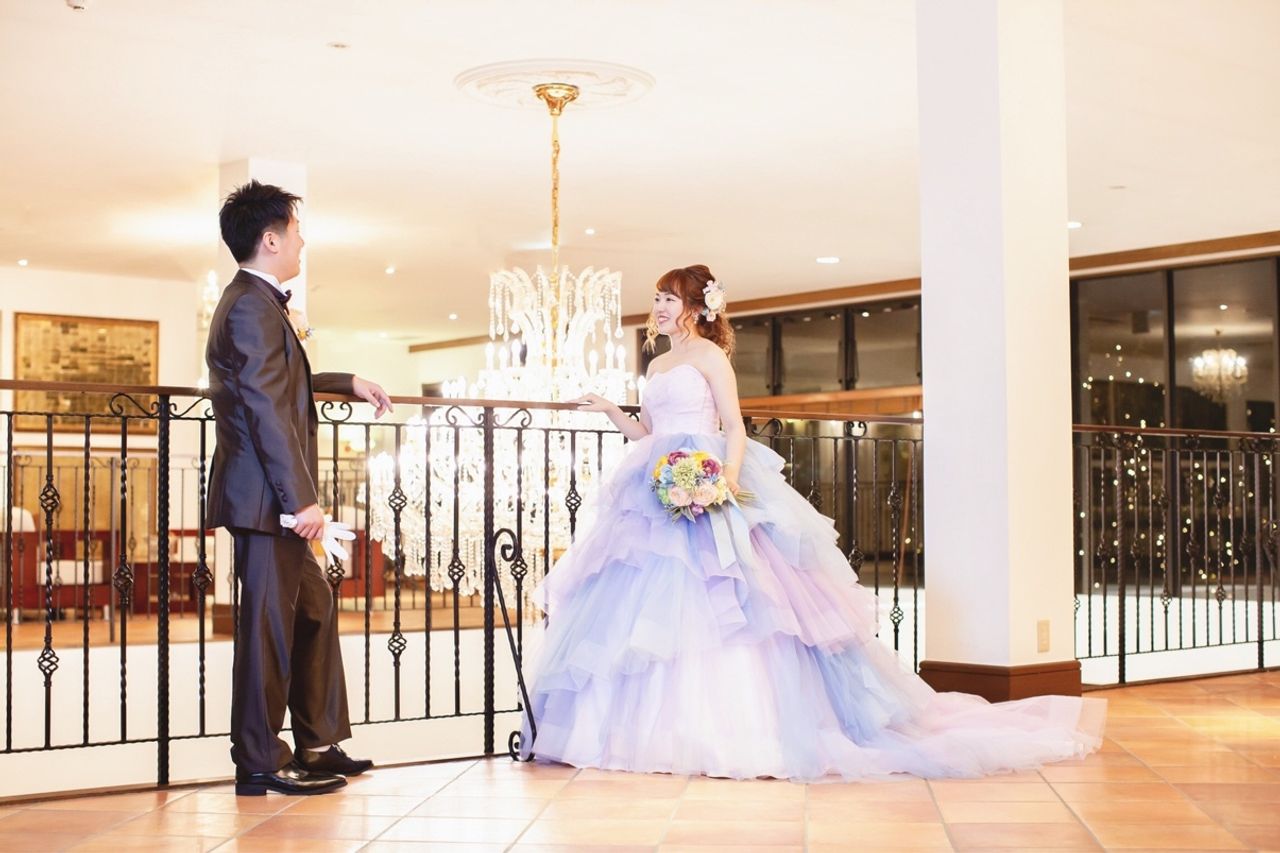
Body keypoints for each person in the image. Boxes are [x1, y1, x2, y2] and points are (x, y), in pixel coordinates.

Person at [518, 264, 1104, 780]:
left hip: (709, 476)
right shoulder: (659, 362)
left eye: (670, 298)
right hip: (658, 483)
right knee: (647, 601)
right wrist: (610, 410)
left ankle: (735, 732)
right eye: (658, 298)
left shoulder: (710, 358)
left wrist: (723, 480)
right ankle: (642, 735)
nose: (660, 307)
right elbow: (649, 434)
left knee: (730, 598)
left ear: (696, 307)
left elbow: (734, 426)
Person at [206, 180, 393, 796]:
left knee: (313, 608)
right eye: (295, 231)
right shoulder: (250, 306)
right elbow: (264, 408)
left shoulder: (258, 303)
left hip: (272, 499)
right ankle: (259, 760)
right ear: (270, 239)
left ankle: (315, 743)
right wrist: (301, 501)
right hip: (266, 502)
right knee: (266, 632)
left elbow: (281, 382)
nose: (302, 242)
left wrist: (348, 380)